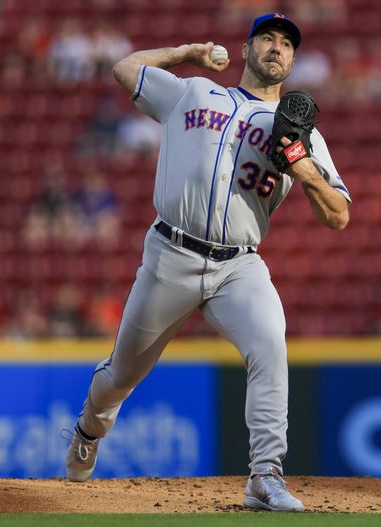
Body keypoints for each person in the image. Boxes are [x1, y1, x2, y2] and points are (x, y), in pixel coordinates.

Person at [64, 13, 350, 513]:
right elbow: (124, 68)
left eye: (286, 43)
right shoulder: (193, 93)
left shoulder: (303, 134)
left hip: (239, 266)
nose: (276, 48)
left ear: (294, 59)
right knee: (122, 375)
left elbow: (339, 216)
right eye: (267, 38)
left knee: (269, 345)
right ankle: (89, 429)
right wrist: (185, 51)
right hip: (170, 253)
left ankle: (265, 475)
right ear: (246, 49)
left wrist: (305, 169)